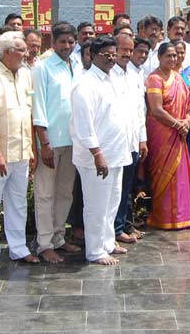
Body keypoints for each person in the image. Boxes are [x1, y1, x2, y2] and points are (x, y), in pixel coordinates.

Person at [0, 32, 39, 271]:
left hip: (22, 150)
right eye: (21, 50)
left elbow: (29, 112)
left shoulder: (25, 74)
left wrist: (32, 147)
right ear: (6, 52)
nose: (26, 54)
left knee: (18, 202)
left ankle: (18, 248)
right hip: (0, 152)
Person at [70, 37, 133, 265]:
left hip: (117, 153)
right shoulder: (85, 84)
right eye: (106, 54)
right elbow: (83, 124)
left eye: (113, 54)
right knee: (96, 205)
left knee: (111, 202)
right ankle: (95, 250)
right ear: (92, 56)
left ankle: (107, 242)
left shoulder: (112, 79)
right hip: (96, 157)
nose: (111, 58)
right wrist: (97, 154)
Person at [31, 22, 83, 263]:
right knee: (45, 194)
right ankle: (44, 243)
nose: (67, 46)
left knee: (64, 192)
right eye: (62, 42)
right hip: (51, 142)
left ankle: (59, 237)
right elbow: (38, 105)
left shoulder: (77, 65)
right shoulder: (43, 67)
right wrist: (44, 143)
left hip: (72, 140)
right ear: (53, 43)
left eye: (71, 42)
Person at [144, 42, 190, 229]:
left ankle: (183, 216)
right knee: (163, 175)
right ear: (159, 58)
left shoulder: (178, 78)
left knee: (180, 174)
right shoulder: (154, 79)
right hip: (162, 133)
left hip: (179, 132)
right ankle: (164, 218)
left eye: (175, 56)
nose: (172, 59)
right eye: (168, 56)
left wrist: (188, 121)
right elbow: (156, 110)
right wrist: (178, 124)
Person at [113, 34, 148, 243]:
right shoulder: (109, 75)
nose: (126, 54)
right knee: (115, 190)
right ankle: (116, 229)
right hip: (116, 143)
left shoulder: (135, 76)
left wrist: (142, 139)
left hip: (133, 141)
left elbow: (139, 111)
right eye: (123, 49)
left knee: (126, 188)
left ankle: (123, 225)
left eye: (129, 50)